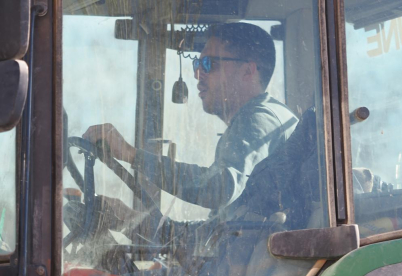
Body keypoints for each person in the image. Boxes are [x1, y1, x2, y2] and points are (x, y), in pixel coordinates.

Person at [82, 22, 298, 274]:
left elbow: (219, 188)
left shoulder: (259, 119)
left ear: (248, 71)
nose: (198, 74)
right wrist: (131, 221)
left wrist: (130, 154)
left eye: (209, 65)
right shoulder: (260, 122)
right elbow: (215, 236)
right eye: (198, 64)